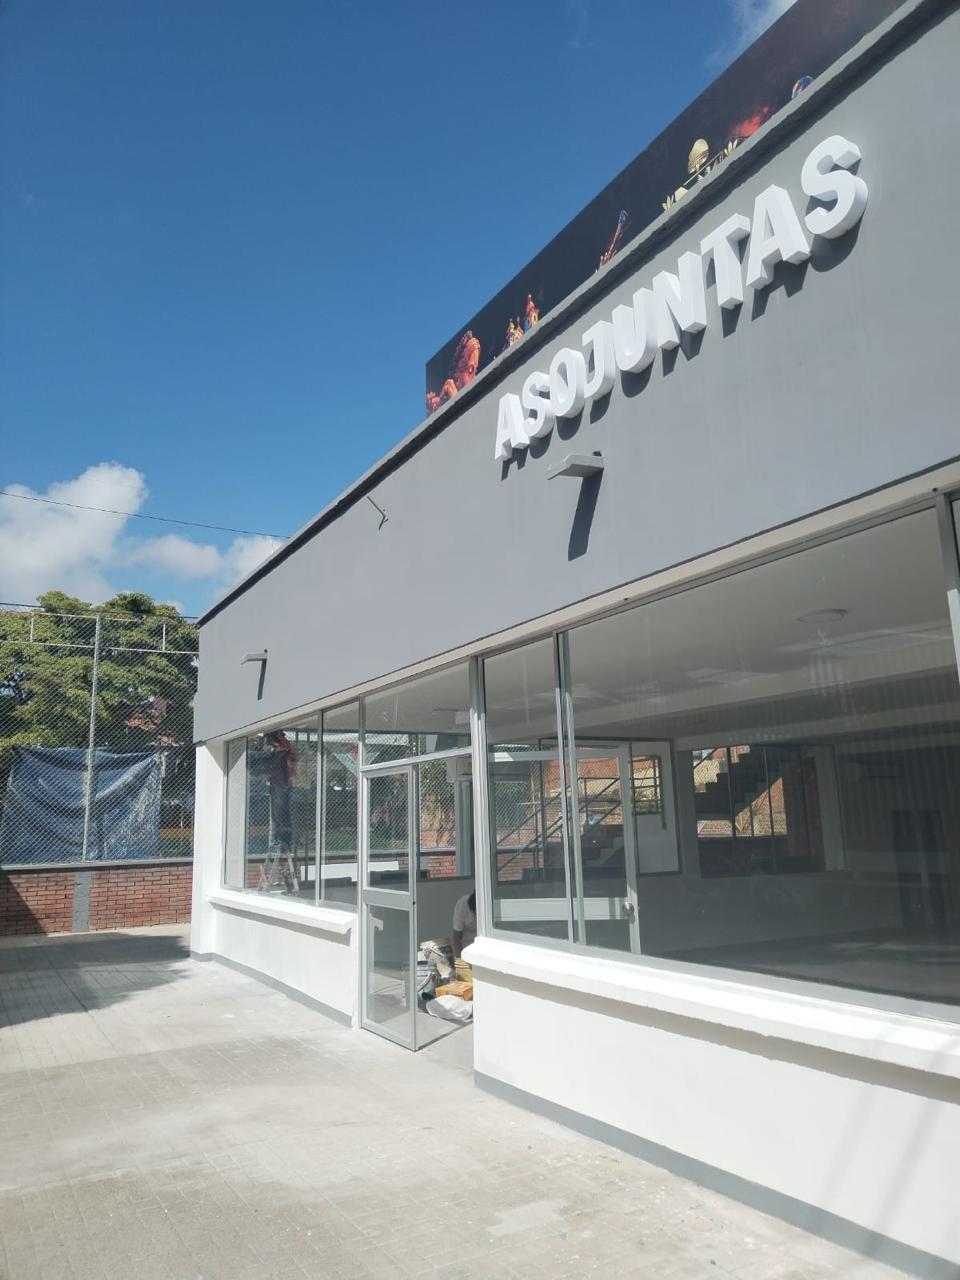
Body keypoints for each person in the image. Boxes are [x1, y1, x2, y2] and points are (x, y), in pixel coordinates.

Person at [451, 889, 477, 960]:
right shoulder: (461, 905)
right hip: (466, 947)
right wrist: (459, 960)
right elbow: (456, 937)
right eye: (474, 913)